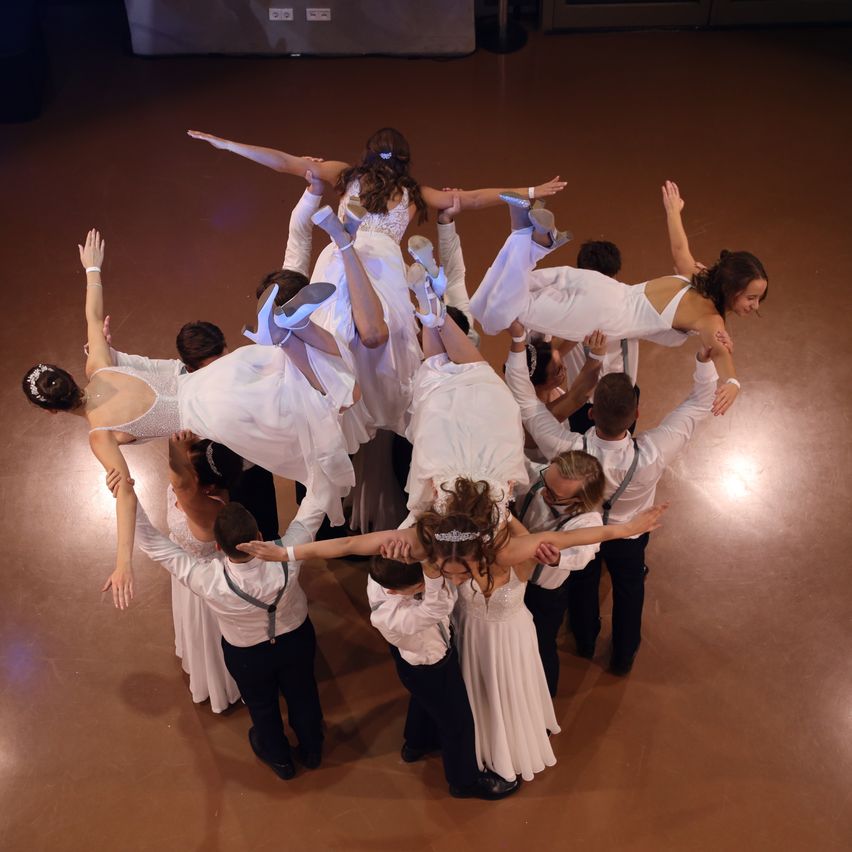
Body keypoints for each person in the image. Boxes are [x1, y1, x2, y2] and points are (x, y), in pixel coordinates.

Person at [21, 229, 358, 608]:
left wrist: (123, 563)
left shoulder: (100, 435)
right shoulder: (98, 364)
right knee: (289, 376)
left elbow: (126, 495)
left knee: (307, 426)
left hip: (211, 415)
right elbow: (93, 315)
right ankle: (287, 334)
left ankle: (298, 346)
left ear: (51, 411)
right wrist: (92, 269)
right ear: (68, 375)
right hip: (214, 378)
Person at [187, 126, 566, 435]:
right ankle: (367, 393)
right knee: (381, 339)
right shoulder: (414, 192)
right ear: (405, 159)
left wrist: (228, 144)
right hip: (384, 265)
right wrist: (530, 192)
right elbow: (473, 198)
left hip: (341, 259)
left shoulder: (346, 175)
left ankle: (345, 242)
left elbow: (285, 162)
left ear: (367, 154)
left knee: (336, 326)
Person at [505, 322, 719, 674]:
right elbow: (698, 405)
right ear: (636, 416)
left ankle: (585, 639)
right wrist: (704, 361)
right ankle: (624, 655)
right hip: (630, 534)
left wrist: (518, 342)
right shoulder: (654, 453)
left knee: (583, 585)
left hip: (580, 532)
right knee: (630, 589)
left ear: (590, 413)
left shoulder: (566, 446)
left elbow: (526, 402)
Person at [471, 190, 768, 415]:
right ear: (730, 288)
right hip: (601, 315)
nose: (755, 306)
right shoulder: (710, 319)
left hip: (598, 284)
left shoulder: (696, 274)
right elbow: (721, 353)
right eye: (751, 297)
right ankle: (534, 240)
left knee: (496, 299)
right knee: (500, 314)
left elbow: (680, 248)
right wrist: (732, 383)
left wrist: (673, 211)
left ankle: (528, 236)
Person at [135, 499, 324, 779]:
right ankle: (312, 749)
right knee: (303, 693)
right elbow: (314, 509)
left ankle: (280, 759)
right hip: (296, 641)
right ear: (259, 535)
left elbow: (154, 544)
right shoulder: (288, 554)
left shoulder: (208, 579)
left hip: (247, 656)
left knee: (261, 705)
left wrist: (126, 495)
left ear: (218, 547)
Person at [366, 544, 519, 800]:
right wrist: (434, 575)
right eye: (421, 585)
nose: (426, 586)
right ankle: (464, 782)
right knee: (457, 722)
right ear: (392, 591)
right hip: (431, 667)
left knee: (424, 702)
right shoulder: (394, 616)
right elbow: (438, 607)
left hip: (413, 663)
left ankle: (416, 743)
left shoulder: (381, 574)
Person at [511, 450, 606, 696]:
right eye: (545, 482)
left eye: (554, 495)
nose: (544, 492)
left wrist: (557, 558)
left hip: (541, 595)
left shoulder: (588, 521)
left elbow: (584, 555)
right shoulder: (541, 477)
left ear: (580, 500)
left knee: (541, 646)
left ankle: (544, 699)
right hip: (509, 580)